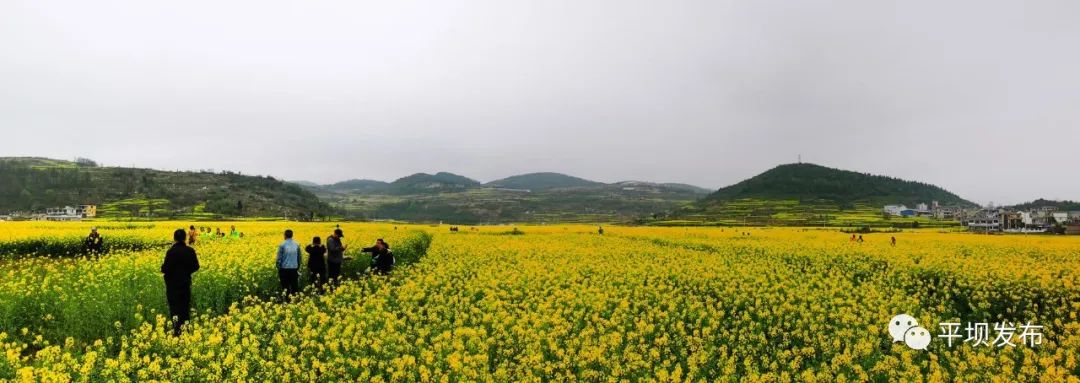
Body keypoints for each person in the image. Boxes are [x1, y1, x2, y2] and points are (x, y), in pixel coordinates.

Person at [161, 229, 200, 336]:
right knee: (184, 307)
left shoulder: (171, 252)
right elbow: (196, 266)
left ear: (174, 239)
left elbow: (165, 269)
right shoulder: (190, 251)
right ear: (185, 238)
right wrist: (186, 271)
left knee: (174, 308)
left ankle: (176, 332)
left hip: (172, 285)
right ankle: (186, 331)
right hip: (185, 283)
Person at [276, 229, 303, 298]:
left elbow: (279, 258)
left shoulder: (282, 244)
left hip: (284, 269)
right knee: (294, 286)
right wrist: (297, 267)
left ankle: (287, 301)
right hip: (294, 269)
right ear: (292, 235)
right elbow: (299, 257)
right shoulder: (297, 244)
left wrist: (278, 268)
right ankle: (295, 300)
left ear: (285, 236)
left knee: (285, 286)